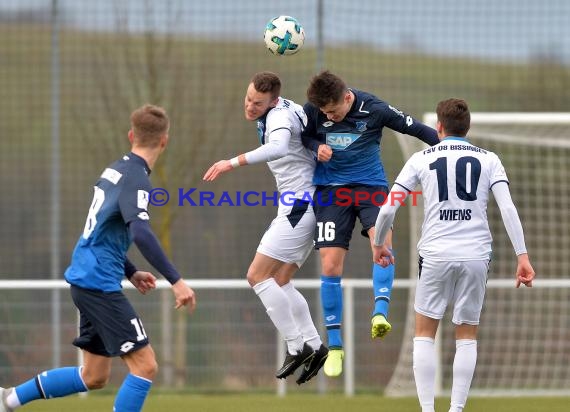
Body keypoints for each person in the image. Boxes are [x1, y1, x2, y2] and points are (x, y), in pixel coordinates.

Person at [0, 104, 196, 412]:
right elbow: (141, 232)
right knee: (145, 367)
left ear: (131, 135)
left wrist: (129, 271)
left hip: (87, 277)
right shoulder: (137, 179)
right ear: (164, 141)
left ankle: (7, 399)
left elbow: (102, 229)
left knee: (94, 376)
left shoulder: (115, 170)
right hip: (99, 284)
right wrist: (177, 280)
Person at [373, 98, 535, 412]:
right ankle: (457, 409)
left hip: (435, 253)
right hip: (476, 255)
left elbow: (389, 207)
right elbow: (507, 208)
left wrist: (380, 242)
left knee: (424, 333)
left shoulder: (421, 159)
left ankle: (427, 410)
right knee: (466, 335)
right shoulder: (489, 159)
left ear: (439, 127)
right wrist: (522, 255)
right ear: (468, 127)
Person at [301, 70, 440, 377]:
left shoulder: (374, 108)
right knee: (330, 265)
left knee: (382, 243)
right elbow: (304, 135)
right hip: (330, 192)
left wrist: (449, 147)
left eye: (334, 111)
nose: (330, 117)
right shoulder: (313, 109)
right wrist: (315, 147)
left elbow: (416, 129)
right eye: (326, 113)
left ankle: (380, 313)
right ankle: (335, 347)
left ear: (347, 97)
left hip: (370, 187)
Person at [203, 71, 327, 385]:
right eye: (248, 99)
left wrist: (229, 162)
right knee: (281, 280)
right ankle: (314, 344)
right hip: (305, 202)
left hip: (300, 204)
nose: (250, 106)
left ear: (272, 101)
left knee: (257, 276)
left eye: (257, 103)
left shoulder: (279, 117)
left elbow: (279, 147)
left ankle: (296, 345)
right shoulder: (285, 107)